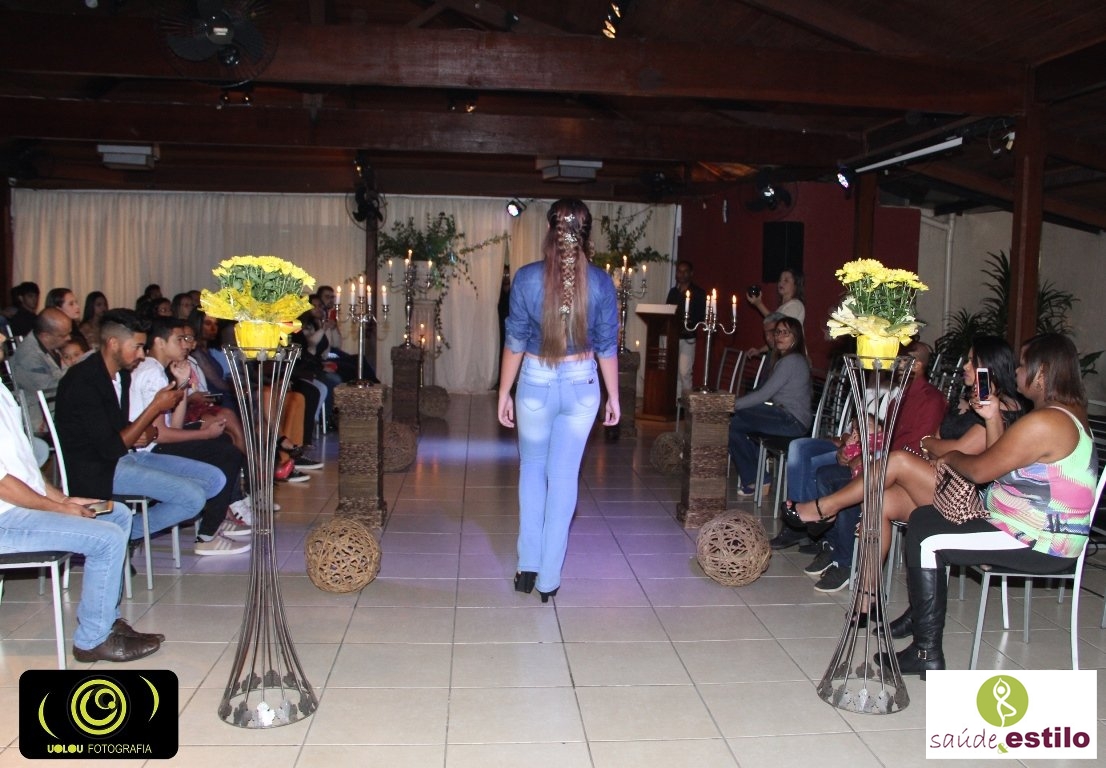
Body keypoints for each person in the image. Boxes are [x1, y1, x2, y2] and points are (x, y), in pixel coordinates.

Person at [885, 333, 1097, 678]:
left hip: (1039, 541)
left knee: (926, 537)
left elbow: (982, 470)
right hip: (1025, 529)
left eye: (1023, 365)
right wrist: (993, 417)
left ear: (1042, 373)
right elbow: (1003, 465)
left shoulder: (1047, 423)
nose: (1017, 371)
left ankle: (926, 652)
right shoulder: (1063, 415)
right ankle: (921, 631)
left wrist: (951, 456)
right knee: (924, 517)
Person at [785, 337, 1026, 566]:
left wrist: (932, 445)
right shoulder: (966, 401)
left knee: (898, 460)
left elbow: (957, 449)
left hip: (967, 497)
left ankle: (826, 507)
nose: (965, 366)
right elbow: (935, 441)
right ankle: (867, 588)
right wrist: (933, 446)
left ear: (990, 366)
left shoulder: (1001, 408)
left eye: (972, 361)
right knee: (878, 501)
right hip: (939, 481)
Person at [0, 328, 163, 663]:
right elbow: (3, 485)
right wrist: (55, 508)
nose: (4, 339)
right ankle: (92, 640)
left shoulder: (2, 391)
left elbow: (23, 468)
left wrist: (62, 500)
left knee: (116, 513)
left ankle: (106, 620)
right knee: (106, 539)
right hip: (6, 519)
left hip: (17, 507)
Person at [498, 199, 620, 602]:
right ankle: (549, 578)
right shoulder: (601, 282)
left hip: (535, 381)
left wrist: (504, 391)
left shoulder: (526, 278)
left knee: (532, 469)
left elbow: (515, 340)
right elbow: (607, 346)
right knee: (564, 476)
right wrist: (613, 397)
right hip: (583, 384)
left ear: (550, 230)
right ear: (586, 234)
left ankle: (527, 567)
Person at [54, 309, 228, 548]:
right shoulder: (84, 380)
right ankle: (119, 535)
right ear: (113, 343)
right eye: (136, 347)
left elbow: (119, 429)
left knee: (214, 479)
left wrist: (145, 432)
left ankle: (119, 532)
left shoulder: (121, 375)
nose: (141, 354)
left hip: (125, 456)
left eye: (143, 347)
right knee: (193, 498)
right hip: (97, 469)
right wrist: (155, 406)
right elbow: (110, 446)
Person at [785, 342, 947, 592]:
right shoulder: (899, 397)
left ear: (917, 365)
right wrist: (860, 451)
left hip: (907, 473)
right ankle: (834, 545)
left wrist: (874, 458)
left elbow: (919, 447)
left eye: (902, 362)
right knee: (825, 474)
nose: (896, 366)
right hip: (885, 461)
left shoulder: (931, 398)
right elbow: (885, 437)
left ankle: (846, 562)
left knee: (848, 484)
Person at [128, 318, 251, 554]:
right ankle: (207, 534)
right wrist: (204, 435)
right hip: (147, 450)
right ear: (160, 343)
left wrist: (183, 385)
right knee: (227, 453)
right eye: (179, 339)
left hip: (156, 443)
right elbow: (160, 435)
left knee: (224, 442)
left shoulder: (160, 370)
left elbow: (174, 424)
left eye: (187, 339)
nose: (186, 344)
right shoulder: (152, 372)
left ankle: (217, 517)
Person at [728, 315, 811, 496]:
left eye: (785, 333)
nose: (779, 336)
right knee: (736, 424)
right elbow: (764, 393)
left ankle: (755, 479)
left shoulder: (792, 360)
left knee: (733, 421)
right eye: (777, 332)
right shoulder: (786, 359)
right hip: (785, 416)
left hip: (791, 421)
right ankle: (758, 478)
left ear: (796, 337)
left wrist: (731, 404)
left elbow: (764, 395)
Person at [8, 307, 70, 433]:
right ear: (45, 335)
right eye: (63, 335)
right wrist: (76, 373)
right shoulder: (28, 355)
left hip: (55, 408)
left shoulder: (49, 344)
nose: (68, 338)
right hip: (40, 418)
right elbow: (48, 389)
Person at [665, 260, 707, 398]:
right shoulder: (673, 292)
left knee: (684, 372)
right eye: (679, 271)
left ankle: (687, 402)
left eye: (685, 271)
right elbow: (668, 311)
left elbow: (702, 316)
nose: (682, 274)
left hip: (688, 337)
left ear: (691, 273)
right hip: (673, 336)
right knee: (674, 372)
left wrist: (691, 323)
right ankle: (677, 402)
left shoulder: (698, 293)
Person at [745, 269, 805, 355]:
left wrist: (758, 304)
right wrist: (759, 350)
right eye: (780, 280)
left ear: (796, 285)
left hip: (791, 355)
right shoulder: (783, 307)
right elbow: (777, 337)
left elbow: (778, 323)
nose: (781, 283)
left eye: (786, 280)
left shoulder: (796, 304)